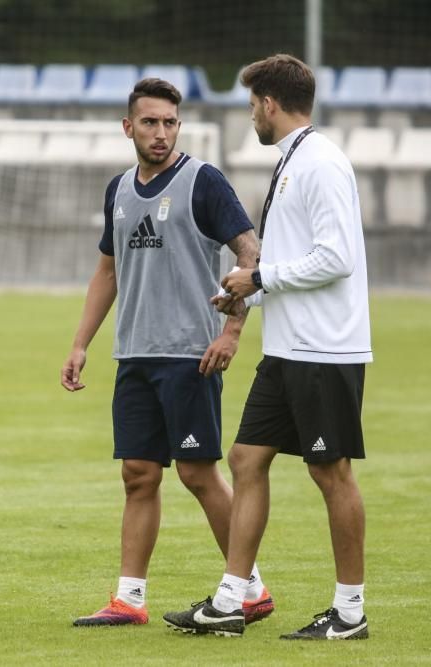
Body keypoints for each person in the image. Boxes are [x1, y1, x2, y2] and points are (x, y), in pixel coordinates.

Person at [163, 54, 373, 640]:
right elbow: (287, 262)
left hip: (325, 351)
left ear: (270, 104)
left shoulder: (321, 163)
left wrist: (259, 280)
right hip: (287, 350)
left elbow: (336, 259)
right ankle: (234, 599)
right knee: (246, 459)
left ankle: (350, 612)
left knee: (331, 473)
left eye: (252, 102)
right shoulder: (292, 162)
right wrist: (245, 298)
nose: (250, 113)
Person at [61, 77, 274, 628]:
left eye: (170, 123)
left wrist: (231, 332)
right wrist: (81, 343)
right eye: (150, 122)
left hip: (190, 355)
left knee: (198, 472)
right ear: (128, 126)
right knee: (137, 473)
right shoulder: (118, 190)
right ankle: (129, 599)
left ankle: (248, 587)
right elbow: (106, 271)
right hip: (134, 355)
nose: (161, 133)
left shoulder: (204, 181)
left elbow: (250, 254)